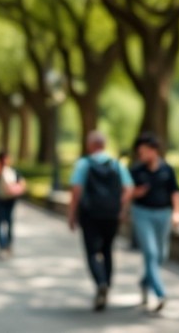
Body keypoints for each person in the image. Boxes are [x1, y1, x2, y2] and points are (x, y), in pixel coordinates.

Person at [68, 130, 134, 311]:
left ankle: (100, 282)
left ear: (90, 145)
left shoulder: (83, 164)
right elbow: (129, 189)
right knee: (107, 250)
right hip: (111, 215)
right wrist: (121, 208)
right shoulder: (117, 164)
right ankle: (107, 284)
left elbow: (76, 191)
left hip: (90, 215)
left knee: (91, 251)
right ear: (104, 145)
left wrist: (72, 214)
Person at [129, 132, 179, 312]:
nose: (141, 155)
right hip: (142, 213)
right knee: (150, 253)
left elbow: (175, 192)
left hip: (163, 213)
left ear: (154, 151)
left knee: (161, 255)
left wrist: (177, 213)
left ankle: (145, 282)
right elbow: (127, 193)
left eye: (144, 151)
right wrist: (137, 193)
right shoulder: (136, 170)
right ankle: (160, 293)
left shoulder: (167, 170)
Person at [0, 150, 26, 259]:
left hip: (6, 201)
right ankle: (4, 246)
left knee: (6, 223)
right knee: (4, 223)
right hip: (3, 201)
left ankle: (5, 245)